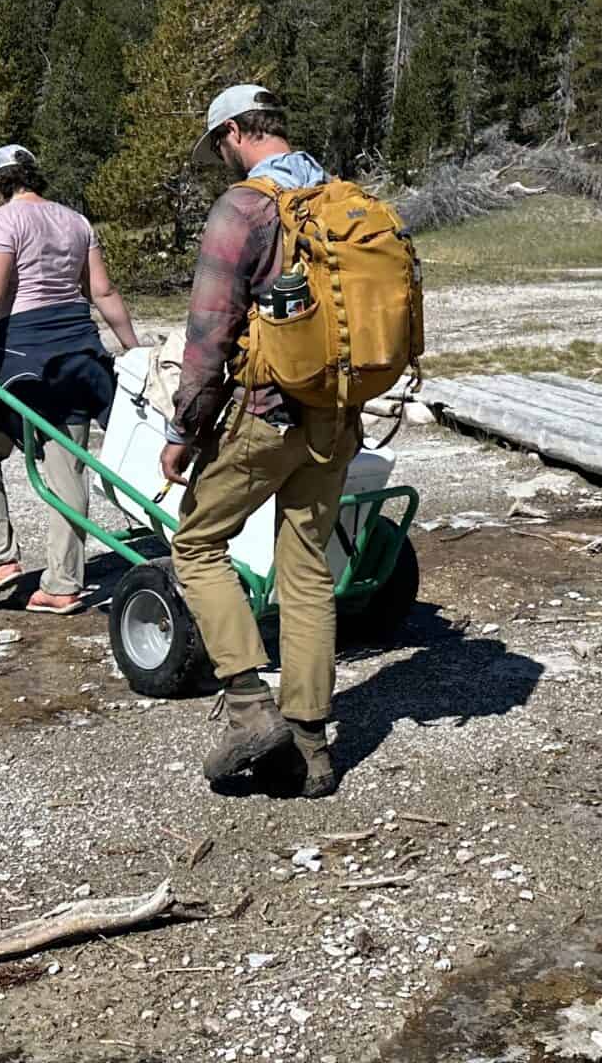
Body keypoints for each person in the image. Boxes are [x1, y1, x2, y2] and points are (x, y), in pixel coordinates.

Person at [161, 82, 356, 795]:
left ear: (239, 131)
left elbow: (209, 332)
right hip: (335, 415)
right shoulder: (340, 199)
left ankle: (249, 709)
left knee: (196, 544)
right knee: (306, 568)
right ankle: (312, 749)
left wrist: (184, 429)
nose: (220, 156)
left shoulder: (245, 207)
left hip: (263, 411)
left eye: (220, 143)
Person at [0, 144, 145, 612]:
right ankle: (62, 585)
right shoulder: (75, 220)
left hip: (24, 350)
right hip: (79, 347)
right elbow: (102, 290)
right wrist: (134, 351)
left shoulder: (3, 220)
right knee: (66, 464)